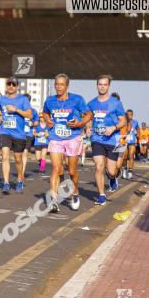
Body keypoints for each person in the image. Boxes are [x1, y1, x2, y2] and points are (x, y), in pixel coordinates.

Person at [42, 74, 92, 212]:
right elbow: (45, 112)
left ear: (67, 86)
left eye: (62, 84)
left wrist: (80, 123)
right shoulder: (50, 100)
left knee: (72, 171)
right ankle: (53, 200)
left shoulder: (77, 99)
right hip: (56, 138)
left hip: (73, 137)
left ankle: (75, 193)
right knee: (56, 169)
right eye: (56, 84)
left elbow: (89, 114)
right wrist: (47, 120)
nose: (58, 87)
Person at [87, 75, 127, 205]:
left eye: (105, 84)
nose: (102, 87)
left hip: (111, 139)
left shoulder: (116, 103)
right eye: (100, 84)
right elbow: (88, 119)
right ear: (96, 85)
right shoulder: (91, 103)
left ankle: (112, 177)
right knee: (99, 166)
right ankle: (102, 195)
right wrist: (88, 128)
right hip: (97, 139)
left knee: (111, 170)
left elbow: (123, 121)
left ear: (108, 86)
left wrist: (113, 127)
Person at [0, 77, 33, 194]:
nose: (11, 86)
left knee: (18, 159)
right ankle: (6, 182)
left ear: (17, 87)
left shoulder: (23, 100)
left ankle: (19, 179)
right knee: (5, 155)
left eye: (13, 84)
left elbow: (30, 115)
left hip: (19, 134)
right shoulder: (1, 99)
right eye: (9, 84)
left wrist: (16, 109)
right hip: (5, 131)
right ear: (6, 86)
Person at [21, 93, 39, 175]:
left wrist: (32, 124)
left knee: (25, 153)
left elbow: (36, 122)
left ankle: (22, 172)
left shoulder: (33, 111)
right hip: (18, 134)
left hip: (28, 134)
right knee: (18, 154)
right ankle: (20, 170)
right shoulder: (18, 110)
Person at [122, 109, 139, 179]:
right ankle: (124, 169)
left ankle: (130, 172)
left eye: (131, 115)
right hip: (124, 141)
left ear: (132, 115)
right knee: (124, 157)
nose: (129, 116)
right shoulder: (123, 122)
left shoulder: (135, 122)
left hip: (132, 141)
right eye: (128, 115)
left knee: (131, 155)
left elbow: (138, 129)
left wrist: (138, 134)